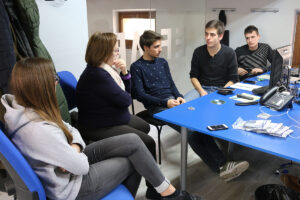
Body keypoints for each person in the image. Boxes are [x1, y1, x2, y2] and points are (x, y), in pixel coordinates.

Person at [1, 57, 201, 200]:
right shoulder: (38, 130)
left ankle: (166, 191)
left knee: (133, 140)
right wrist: (73, 149)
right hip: (71, 187)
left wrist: (74, 146)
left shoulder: (23, 108)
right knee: (132, 161)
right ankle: (170, 194)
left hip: (69, 160)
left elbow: (70, 127)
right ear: (41, 87)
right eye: (53, 79)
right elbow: (81, 167)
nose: (57, 82)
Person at [131, 30, 249, 182]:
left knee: (198, 126)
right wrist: (165, 102)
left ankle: (223, 165)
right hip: (157, 107)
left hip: (172, 101)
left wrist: (179, 96)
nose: (160, 49)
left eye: (160, 46)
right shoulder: (137, 67)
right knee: (191, 132)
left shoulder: (162, 62)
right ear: (146, 48)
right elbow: (140, 95)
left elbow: (171, 84)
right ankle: (220, 167)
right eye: (156, 47)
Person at [76, 32, 165, 199]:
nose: (117, 54)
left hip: (111, 115)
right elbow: (126, 100)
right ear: (103, 53)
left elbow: (125, 95)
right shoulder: (98, 75)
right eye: (115, 51)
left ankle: (136, 157)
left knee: (144, 126)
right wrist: (124, 76)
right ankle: (154, 188)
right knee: (148, 141)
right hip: (97, 125)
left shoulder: (104, 70)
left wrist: (124, 71)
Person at [185, 20, 239, 101]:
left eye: (212, 35)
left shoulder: (230, 53)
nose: (208, 37)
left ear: (220, 36)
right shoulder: (198, 52)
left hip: (221, 89)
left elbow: (234, 79)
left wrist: (222, 91)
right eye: (206, 34)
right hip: (202, 88)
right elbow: (193, 76)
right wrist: (201, 91)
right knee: (183, 103)